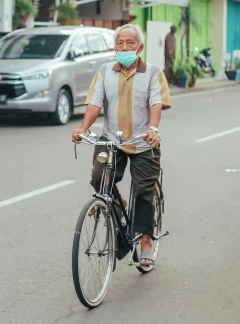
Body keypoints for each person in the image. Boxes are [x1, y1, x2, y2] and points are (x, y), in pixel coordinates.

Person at [71, 24, 171, 266]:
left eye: (129, 43)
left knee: (143, 192)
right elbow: (94, 105)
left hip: (142, 141)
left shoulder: (153, 72)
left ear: (140, 47)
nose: (124, 47)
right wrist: (83, 129)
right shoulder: (105, 72)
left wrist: (153, 129)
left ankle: (146, 239)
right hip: (111, 140)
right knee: (99, 180)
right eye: (120, 43)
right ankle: (117, 204)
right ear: (114, 47)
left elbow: (156, 104)